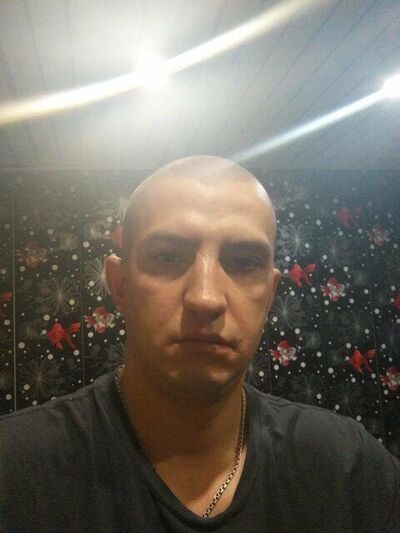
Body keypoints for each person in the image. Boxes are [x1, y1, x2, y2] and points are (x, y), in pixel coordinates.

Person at [1, 156, 399, 532]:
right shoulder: (15, 468)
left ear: (269, 293)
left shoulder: (350, 467)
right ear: (120, 285)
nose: (206, 298)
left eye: (244, 262)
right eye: (166, 256)